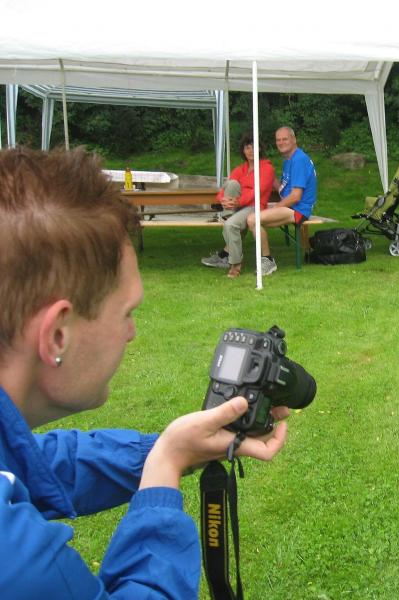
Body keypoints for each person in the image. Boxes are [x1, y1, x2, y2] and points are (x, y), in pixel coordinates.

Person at [0, 147, 289, 598]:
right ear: (57, 335)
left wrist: (175, 447)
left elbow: (47, 463)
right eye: (126, 313)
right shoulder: (15, 566)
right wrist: (164, 470)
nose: (132, 333)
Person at [201, 132, 275, 278]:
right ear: (243, 151)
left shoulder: (267, 168)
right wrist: (222, 199)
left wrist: (238, 201)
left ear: (260, 148)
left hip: (254, 207)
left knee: (230, 226)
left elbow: (257, 191)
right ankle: (229, 216)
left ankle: (235, 264)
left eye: (254, 147)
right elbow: (223, 190)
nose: (251, 150)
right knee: (232, 183)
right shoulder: (240, 169)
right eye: (247, 147)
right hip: (236, 207)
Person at [245, 126, 317, 275]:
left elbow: (295, 196)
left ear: (294, 139)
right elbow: (284, 189)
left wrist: (275, 208)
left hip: (298, 211)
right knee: (250, 214)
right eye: (278, 140)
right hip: (290, 207)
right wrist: (267, 175)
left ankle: (268, 261)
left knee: (253, 219)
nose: (281, 142)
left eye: (285, 139)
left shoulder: (299, 160)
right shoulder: (288, 160)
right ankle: (228, 254)